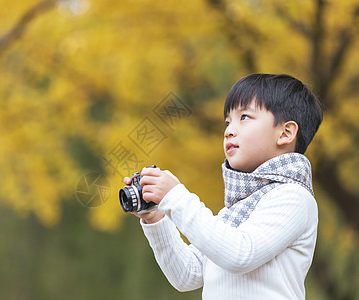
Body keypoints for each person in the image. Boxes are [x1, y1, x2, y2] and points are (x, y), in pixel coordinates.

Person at [123, 73, 323, 300]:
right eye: (228, 122)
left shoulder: (293, 196)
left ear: (285, 133)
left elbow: (240, 254)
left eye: (245, 117)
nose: (229, 130)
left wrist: (176, 196)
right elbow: (188, 274)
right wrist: (156, 217)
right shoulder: (236, 209)